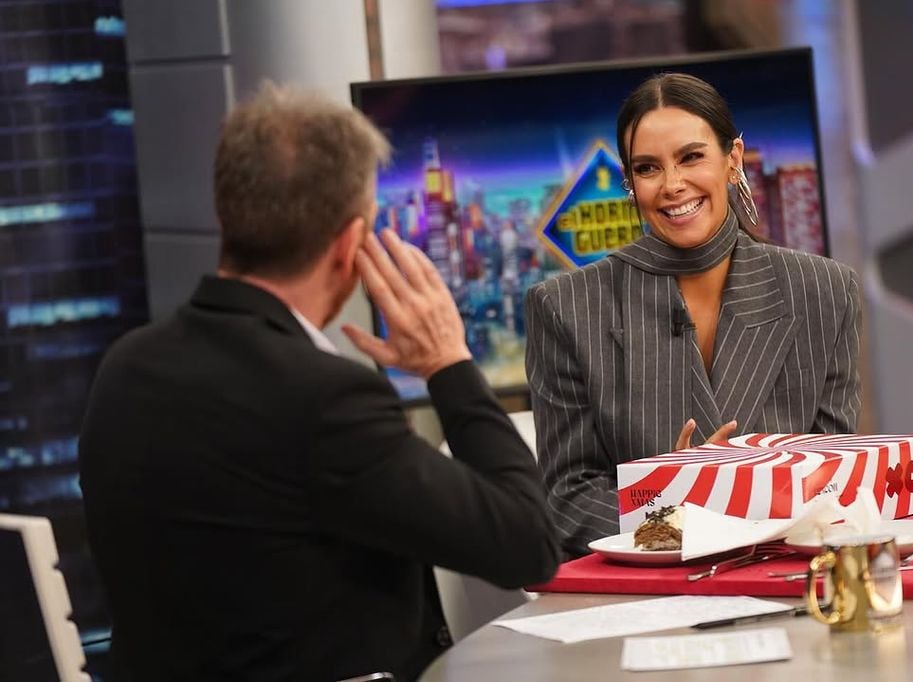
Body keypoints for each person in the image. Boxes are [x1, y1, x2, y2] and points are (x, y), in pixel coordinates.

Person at [78, 82, 559, 682]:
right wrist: (448, 363)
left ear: (228, 215)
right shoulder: (326, 399)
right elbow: (527, 545)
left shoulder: (125, 366)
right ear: (349, 245)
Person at [525, 73, 862, 558]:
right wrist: (674, 510)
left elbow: (835, 477)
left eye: (691, 157)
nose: (672, 185)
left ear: (733, 159)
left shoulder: (824, 291)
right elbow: (567, 500)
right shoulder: (566, 307)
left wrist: (719, 501)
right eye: (647, 168)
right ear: (630, 183)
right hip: (650, 583)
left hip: (786, 573)